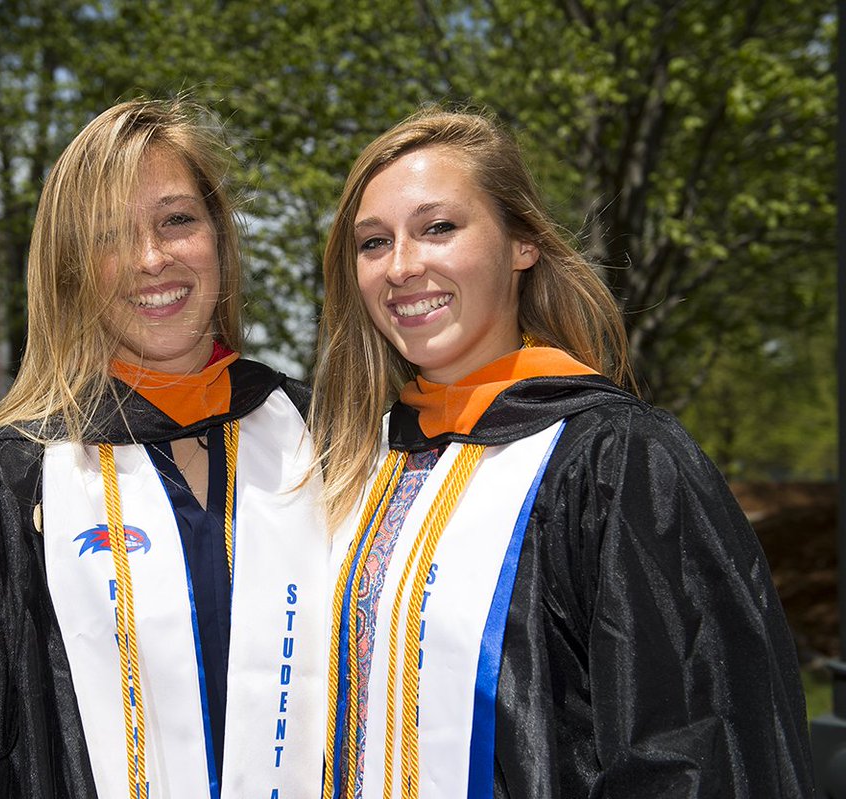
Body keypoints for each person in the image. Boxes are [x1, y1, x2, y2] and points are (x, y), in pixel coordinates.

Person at [309, 107, 813, 798]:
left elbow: (698, 753)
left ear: (523, 243)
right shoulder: (358, 467)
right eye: (373, 242)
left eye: (438, 228)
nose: (401, 265)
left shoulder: (619, 463)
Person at [0, 99, 328, 798]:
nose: (151, 257)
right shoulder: (13, 482)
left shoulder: (317, 434)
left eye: (177, 220)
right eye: (109, 235)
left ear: (219, 236)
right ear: (71, 270)